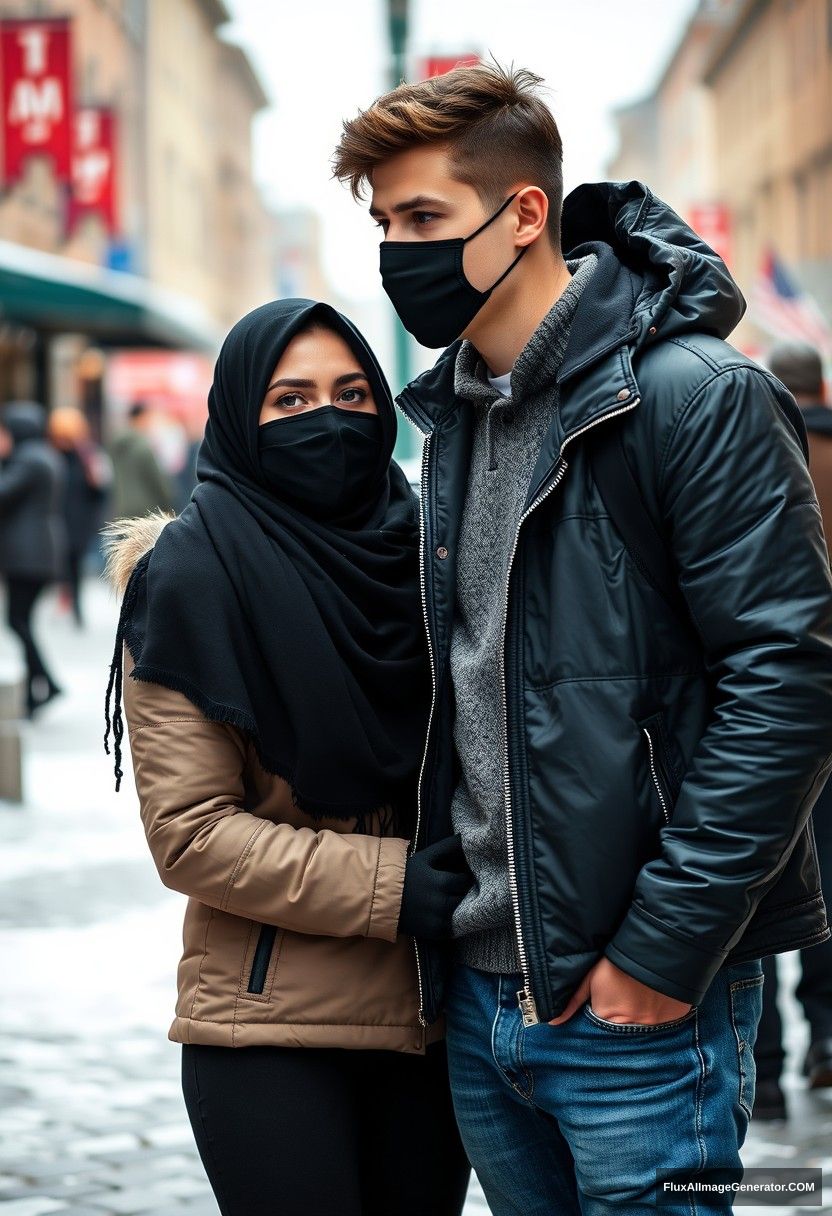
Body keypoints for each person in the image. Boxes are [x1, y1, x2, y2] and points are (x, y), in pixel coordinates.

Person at [332, 62, 832, 1214]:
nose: (397, 253)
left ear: (523, 213)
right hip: (484, 996)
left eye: (423, 220)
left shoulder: (693, 394)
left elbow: (787, 686)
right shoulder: (452, 418)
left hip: (642, 1005)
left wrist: (661, 952)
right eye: (382, 224)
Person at [101, 299, 472, 1216]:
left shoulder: (437, 552)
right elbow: (189, 834)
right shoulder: (189, 578)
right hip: (265, 1031)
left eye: (351, 394)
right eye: (291, 400)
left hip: (439, 1021)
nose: (329, 422)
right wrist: (394, 886)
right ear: (239, 416)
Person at [748, 340, 832, 1119]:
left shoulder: (751, 443)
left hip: (768, 704)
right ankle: (830, 1039)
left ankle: (767, 1070)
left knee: (760, 881)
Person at [0, 401, 66, 717]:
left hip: (27, 555)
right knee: (21, 620)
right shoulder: (42, 455)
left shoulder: (28, 459)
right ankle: (35, 690)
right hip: (37, 553)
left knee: (17, 620)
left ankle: (47, 682)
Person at [48, 406, 111, 627]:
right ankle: (68, 601)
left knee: (74, 564)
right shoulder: (50, 455)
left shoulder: (88, 455)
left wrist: (97, 482)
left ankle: (76, 608)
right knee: (63, 563)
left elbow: (102, 491)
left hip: (79, 520)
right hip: (58, 518)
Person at [108, 401, 175, 520]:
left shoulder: (116, 445)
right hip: (145, 511)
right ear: (141, 418)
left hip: (122, 509)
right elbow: (157, 481)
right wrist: (168, 505)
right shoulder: (142, 446)